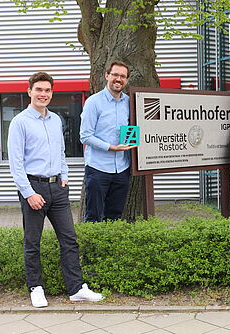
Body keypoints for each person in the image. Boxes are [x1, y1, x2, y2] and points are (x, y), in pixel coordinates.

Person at [8, 72, 104, 307]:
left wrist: (65, 177)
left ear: (52, 93)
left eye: (47, 90)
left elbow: (60, 151)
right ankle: (36, 288)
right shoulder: (20, 122)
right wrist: (29, 193)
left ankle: (76, 288)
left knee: (69, 240)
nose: (43, 94)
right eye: (39, 90)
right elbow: (15, 163)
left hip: (57, 188)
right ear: (29, 91)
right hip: (34, 189)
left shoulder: (55, 120)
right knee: (33, 242)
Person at [80, 60, 136, 222]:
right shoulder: (94, 102)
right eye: (115, 75)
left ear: (126, 80)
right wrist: (111, 147)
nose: (118, 79)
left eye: (123, 76)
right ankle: (91, 248)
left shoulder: (129, 102)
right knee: (93, 217)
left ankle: (110, 247)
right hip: (98, 168)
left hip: (122, 168)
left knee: (115, 217)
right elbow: (85, 135)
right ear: (107, 76)